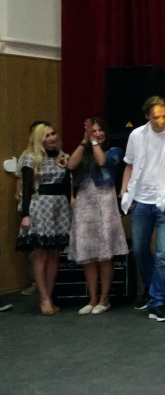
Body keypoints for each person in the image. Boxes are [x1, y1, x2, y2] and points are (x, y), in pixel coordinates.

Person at [121, 96, 165, 322]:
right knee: (140, 249)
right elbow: (129, 165)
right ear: (147, 117)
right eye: (156, 118)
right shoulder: (136, 135)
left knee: (163, 254)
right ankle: (150, 288)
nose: (161, 121)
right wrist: (124, 192)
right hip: (141, 199)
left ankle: (157, 302)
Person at [66, 118, 129, 315]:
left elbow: (102, 162)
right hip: (84, 203)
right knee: (88, 255)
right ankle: (92, 299)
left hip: (104, 203)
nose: (98, 134)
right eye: (93, 131)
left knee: (105, 254)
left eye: (100, 130)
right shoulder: (85, 151)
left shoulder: (114, 151)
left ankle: (104, 299)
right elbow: (70, 165)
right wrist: (84, 141)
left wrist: (93, 142)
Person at [16, 123, 71, 315]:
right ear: (39, 139)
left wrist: (70, 208)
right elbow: (26, 189)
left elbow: (66, 184)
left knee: (55, 254)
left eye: (53, 133)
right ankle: (43, 298)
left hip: (59, 206)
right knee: (41, 254)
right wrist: (25, 215)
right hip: (40, 205)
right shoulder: (30, 157)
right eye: (47, 135)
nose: (52, 138)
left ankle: (50, 294)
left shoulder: (63, 156)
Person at [16, 121, 50, 297]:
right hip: (33, 204)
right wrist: (19, 196)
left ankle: (49, 288)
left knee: (51, 249)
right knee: (34, 249)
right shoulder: (27, 156)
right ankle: (35, 282)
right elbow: (21, 179)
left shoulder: (56, 154)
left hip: (52, 205)